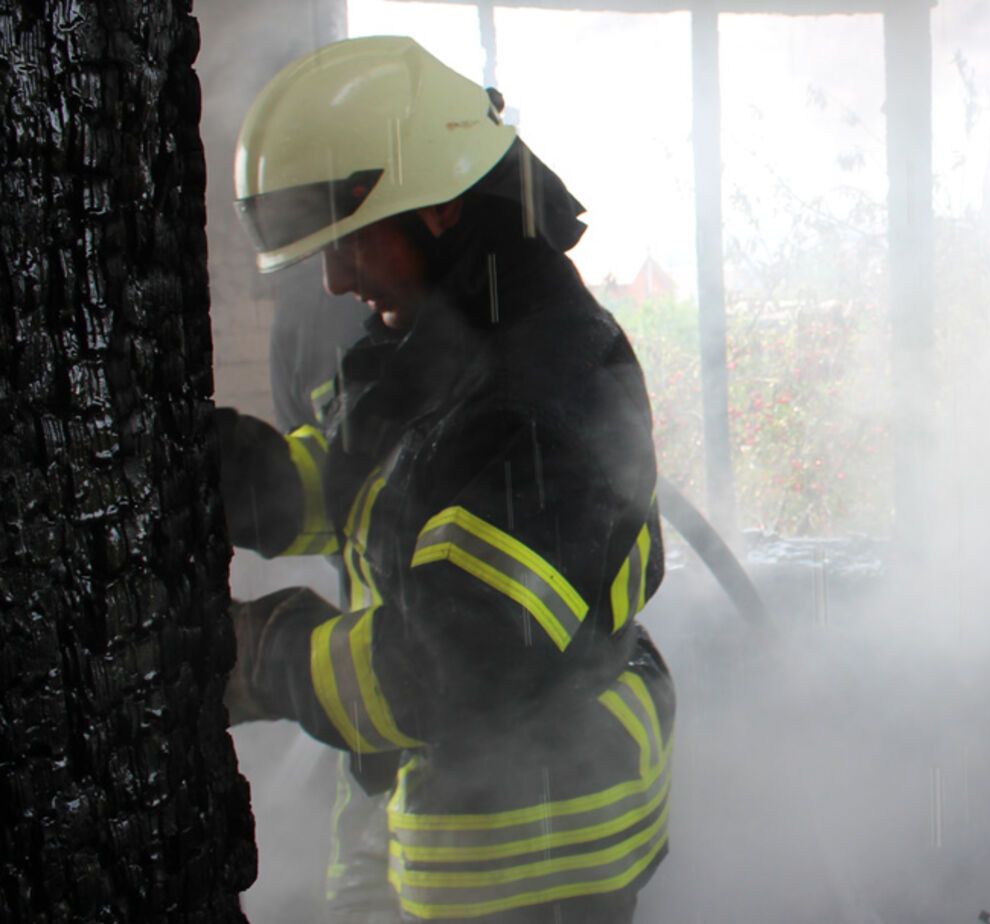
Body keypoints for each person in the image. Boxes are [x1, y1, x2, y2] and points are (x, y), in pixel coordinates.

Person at [217, 36, 673, 923]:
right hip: (451, 842)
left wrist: (262, 659)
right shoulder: (448, 336)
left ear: (438, 212)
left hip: (541, 866)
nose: (336, 278)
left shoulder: (550, 386)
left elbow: (455, 663)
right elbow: (351, 483)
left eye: (351, 242)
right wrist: (210, 471)